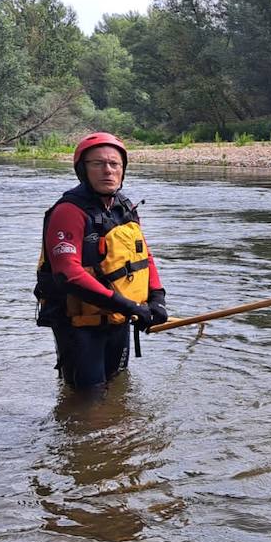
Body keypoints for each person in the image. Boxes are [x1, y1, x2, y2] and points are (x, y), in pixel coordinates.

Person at [34, 132, 169, 395]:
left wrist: (157, 298)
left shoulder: (124, 207)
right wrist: (129, 306)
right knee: (86, 400)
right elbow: (67, 273)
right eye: (97, 164)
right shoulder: (68, 211)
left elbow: (144, 256)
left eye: (114, 164)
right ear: (82, 170)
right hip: (79, 327)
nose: (107, 170)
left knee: (117, 386)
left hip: (118, 320)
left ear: (123, 169)